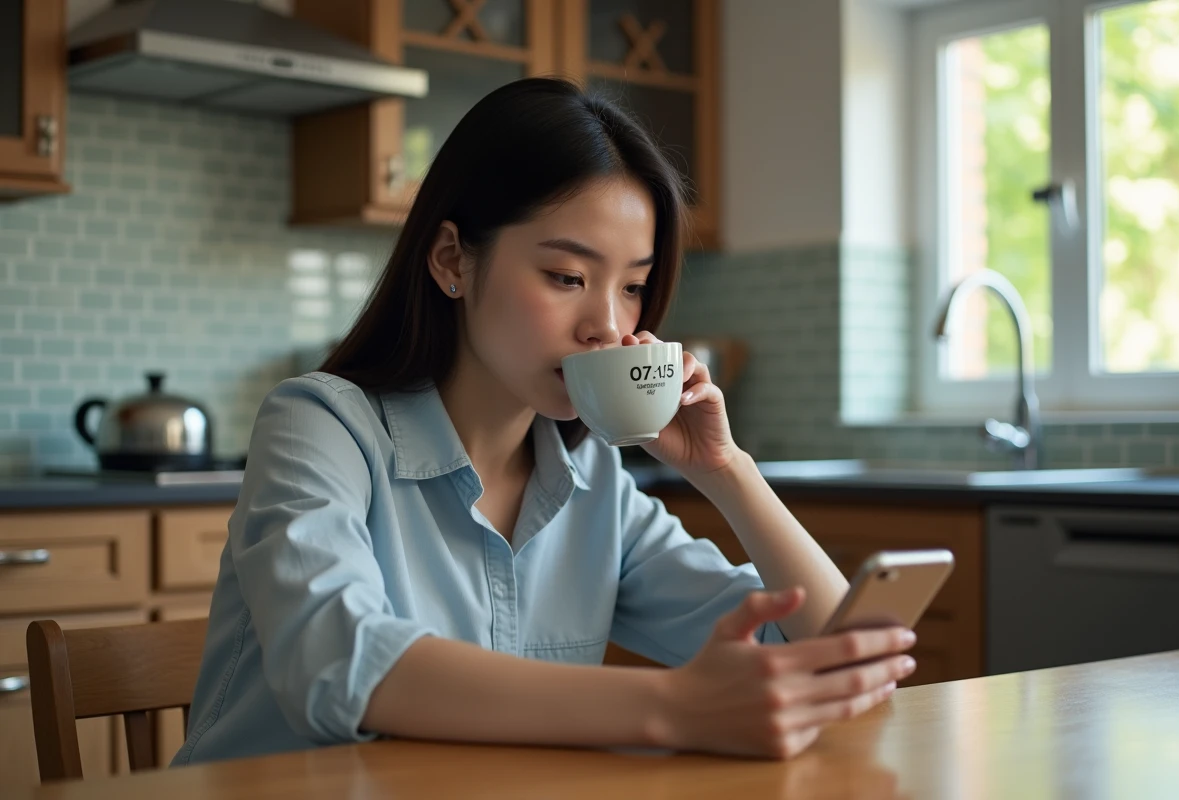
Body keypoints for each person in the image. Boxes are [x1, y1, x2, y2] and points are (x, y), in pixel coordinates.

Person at [173, 77, 917, 767]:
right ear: (451, 260)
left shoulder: (591, 478)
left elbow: (834, 659)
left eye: (633, 287)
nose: (608, 324)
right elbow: (337, 666)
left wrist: (729, 474)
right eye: (567, 277)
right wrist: (672, 708)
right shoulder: (320, 426)